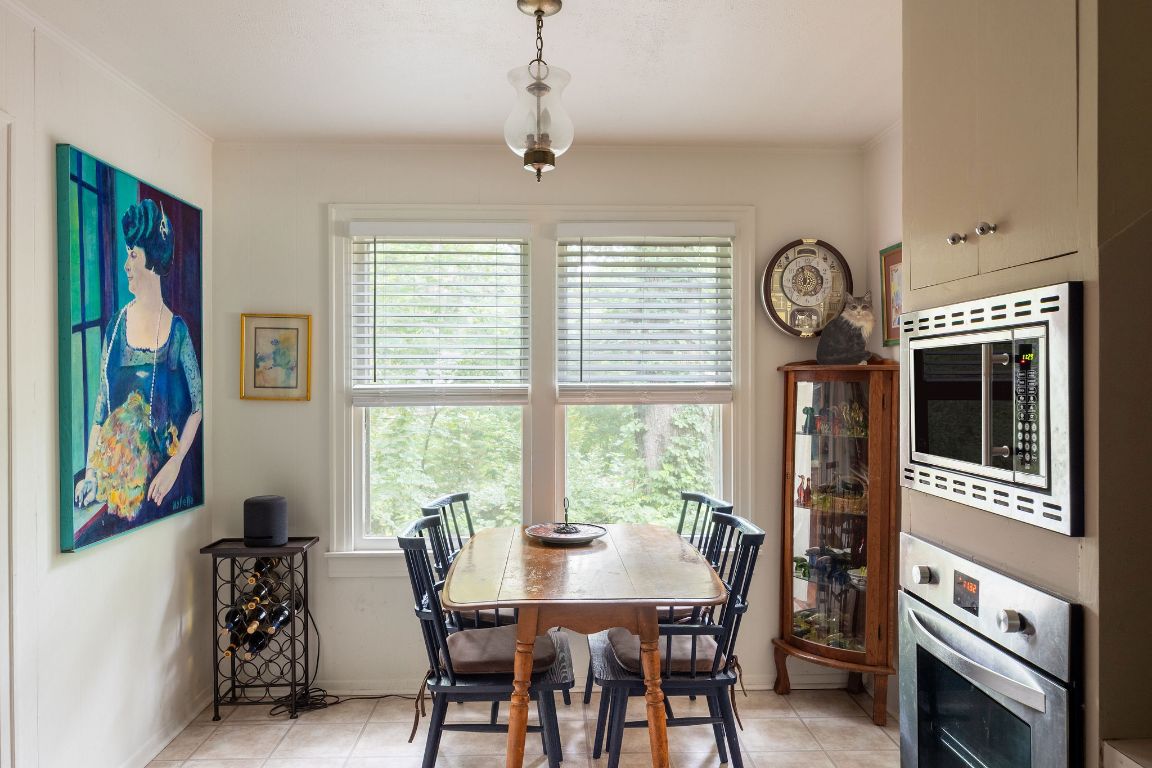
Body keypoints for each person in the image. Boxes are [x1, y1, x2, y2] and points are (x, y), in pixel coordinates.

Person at [74, 198, 202, 525]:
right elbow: (101, 408)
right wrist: (91, 474)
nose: (126, 265)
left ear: (153, 261)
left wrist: (175, 463)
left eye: (133, 255)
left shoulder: (177, 332)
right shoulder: (116, 327)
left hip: (163, 494)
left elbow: (198, 408)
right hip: (116, 495)